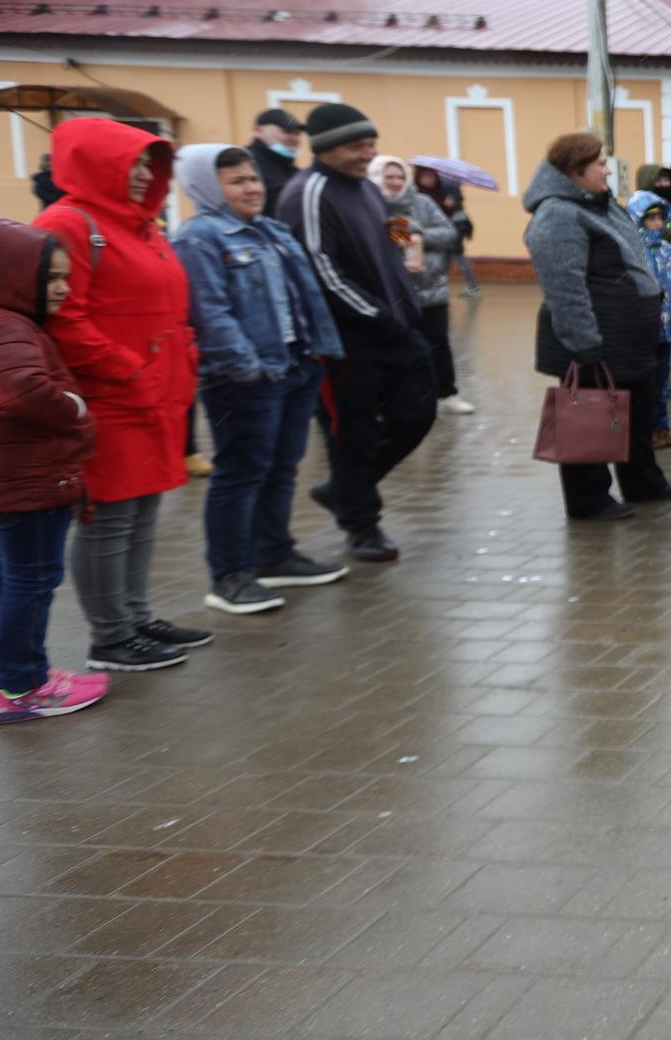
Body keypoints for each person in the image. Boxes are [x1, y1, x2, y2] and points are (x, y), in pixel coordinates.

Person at [31, 118, 208, 672]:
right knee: (107, 519)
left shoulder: (143, 225)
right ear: (94, 163)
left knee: (143, 511)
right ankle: (110, 638)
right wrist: (127, 369)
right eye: (131, 163)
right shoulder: (68, 222)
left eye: (148, 165)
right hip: (112, 396)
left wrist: (183, 359)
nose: (141, 175)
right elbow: (62, 312)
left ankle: (134, 616)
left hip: (154, 396)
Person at [174, 144, 350, 615]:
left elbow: (304, 297)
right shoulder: (199, 239)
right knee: (240, 473)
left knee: (280, 466)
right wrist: (246, 367)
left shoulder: (270, 231)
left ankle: (273, 555)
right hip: (243, 377)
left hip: (295, 366)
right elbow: (209, 313)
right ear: (207, 187)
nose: (251, 188)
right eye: (236, 181)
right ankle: (228, 575)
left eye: (252, 178)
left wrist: (318, 352)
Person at [0, 212, 107, 723]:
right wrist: (75, 407)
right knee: (31, 579)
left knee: (17, 577)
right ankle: (23, 689)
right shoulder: (3, 323)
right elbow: (17, 392)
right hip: (25, 473)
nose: (64, 289)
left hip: (7, 473)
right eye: (53, 279)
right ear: (10, 273)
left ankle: (25, 676)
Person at [278, 101, 437, 565]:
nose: (366, 153)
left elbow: (393, 238)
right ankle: (361, 525)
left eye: (370, 144)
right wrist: (379, 315)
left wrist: (408, 297)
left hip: (397, 328)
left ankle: (344, 489)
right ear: (326, 147)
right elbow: (318, 268)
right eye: (355, 146)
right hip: (347, 339)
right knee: (353, 433)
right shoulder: (307, 192)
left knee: (419, 412)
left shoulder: (366, 190)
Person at [522, 131, 671, 521]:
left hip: (628, 335)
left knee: (637, 408)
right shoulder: (558, 214)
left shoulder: (599, 204)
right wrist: (583, 341)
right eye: (599, 163)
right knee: (588, 414)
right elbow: (564, 286)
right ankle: (588, 500)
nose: (606, 170)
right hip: (596, 336)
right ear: (574, 170)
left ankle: (643, 482)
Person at [372, 155, 470, 416]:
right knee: (398, 346)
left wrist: (417, 237)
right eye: (389, 176)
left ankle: (447, 394)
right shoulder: (372, 206)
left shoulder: (422, 202)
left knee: (438, 342)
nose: (395, 182)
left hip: (431, 287)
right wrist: (397, 241)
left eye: (400, 176)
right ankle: (400, 397)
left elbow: (448, 232)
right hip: (394, 292)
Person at [626, 191, 671, 450]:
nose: (657, 224)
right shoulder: (630, 252)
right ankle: (643, 431)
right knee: (645, 385)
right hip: (642, 328)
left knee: (662, 382)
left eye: (660, 218)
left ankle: (661, 428)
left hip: (667, 327)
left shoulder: (668, 250)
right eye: (650, 219)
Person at [412, 163, 481, 297]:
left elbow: (453, 214)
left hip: (451, 231)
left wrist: (452, 204)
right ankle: (437, 283)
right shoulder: (415, 195)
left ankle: (473, 285)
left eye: (432, 177)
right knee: (444, 260)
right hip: (427, 241)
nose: (430, 180)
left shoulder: (444, 192)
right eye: (426, 176)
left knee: (455, 256)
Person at [246, 108, 303, 204]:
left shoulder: (291, 168)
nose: (295, 138)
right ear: (259, 131)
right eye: (287, 131)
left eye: (297, 133)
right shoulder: (246, 162)